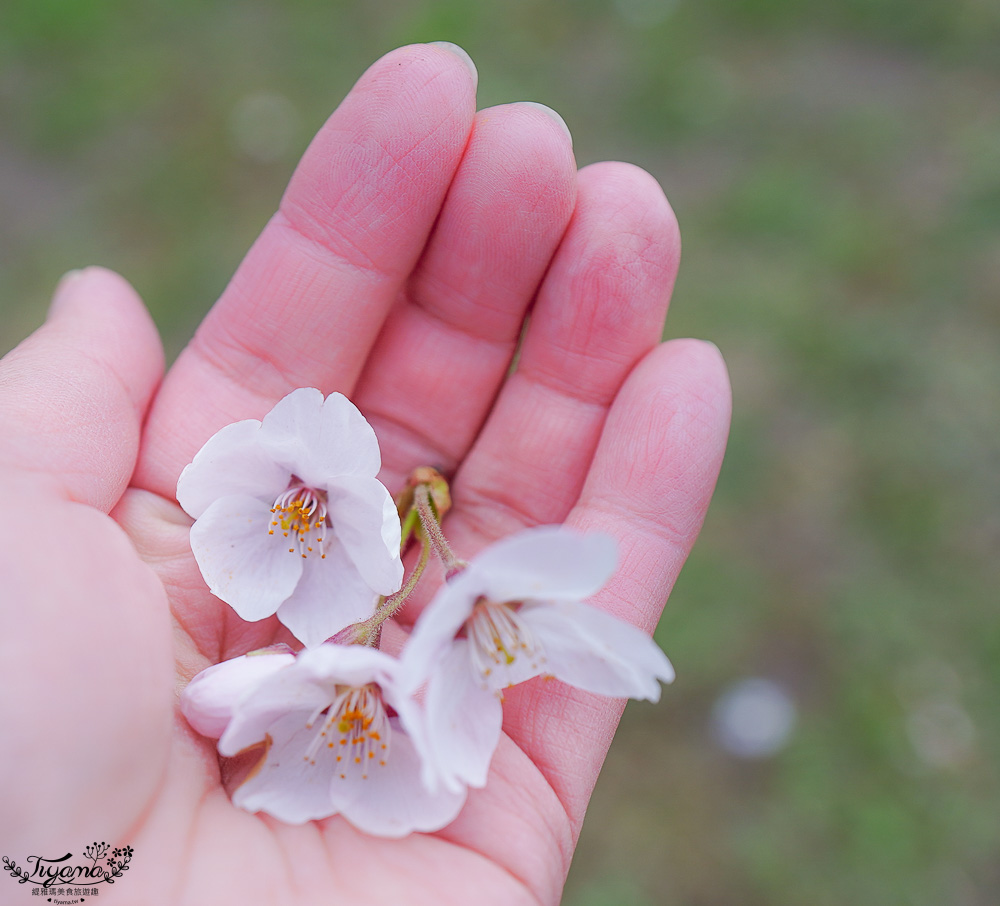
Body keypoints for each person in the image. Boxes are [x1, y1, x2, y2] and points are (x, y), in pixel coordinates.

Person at [0, 43, 730, 905]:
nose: (300, 516)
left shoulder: (381, 573)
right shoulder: (284, 505)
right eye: (300, 509)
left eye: (311, 510)